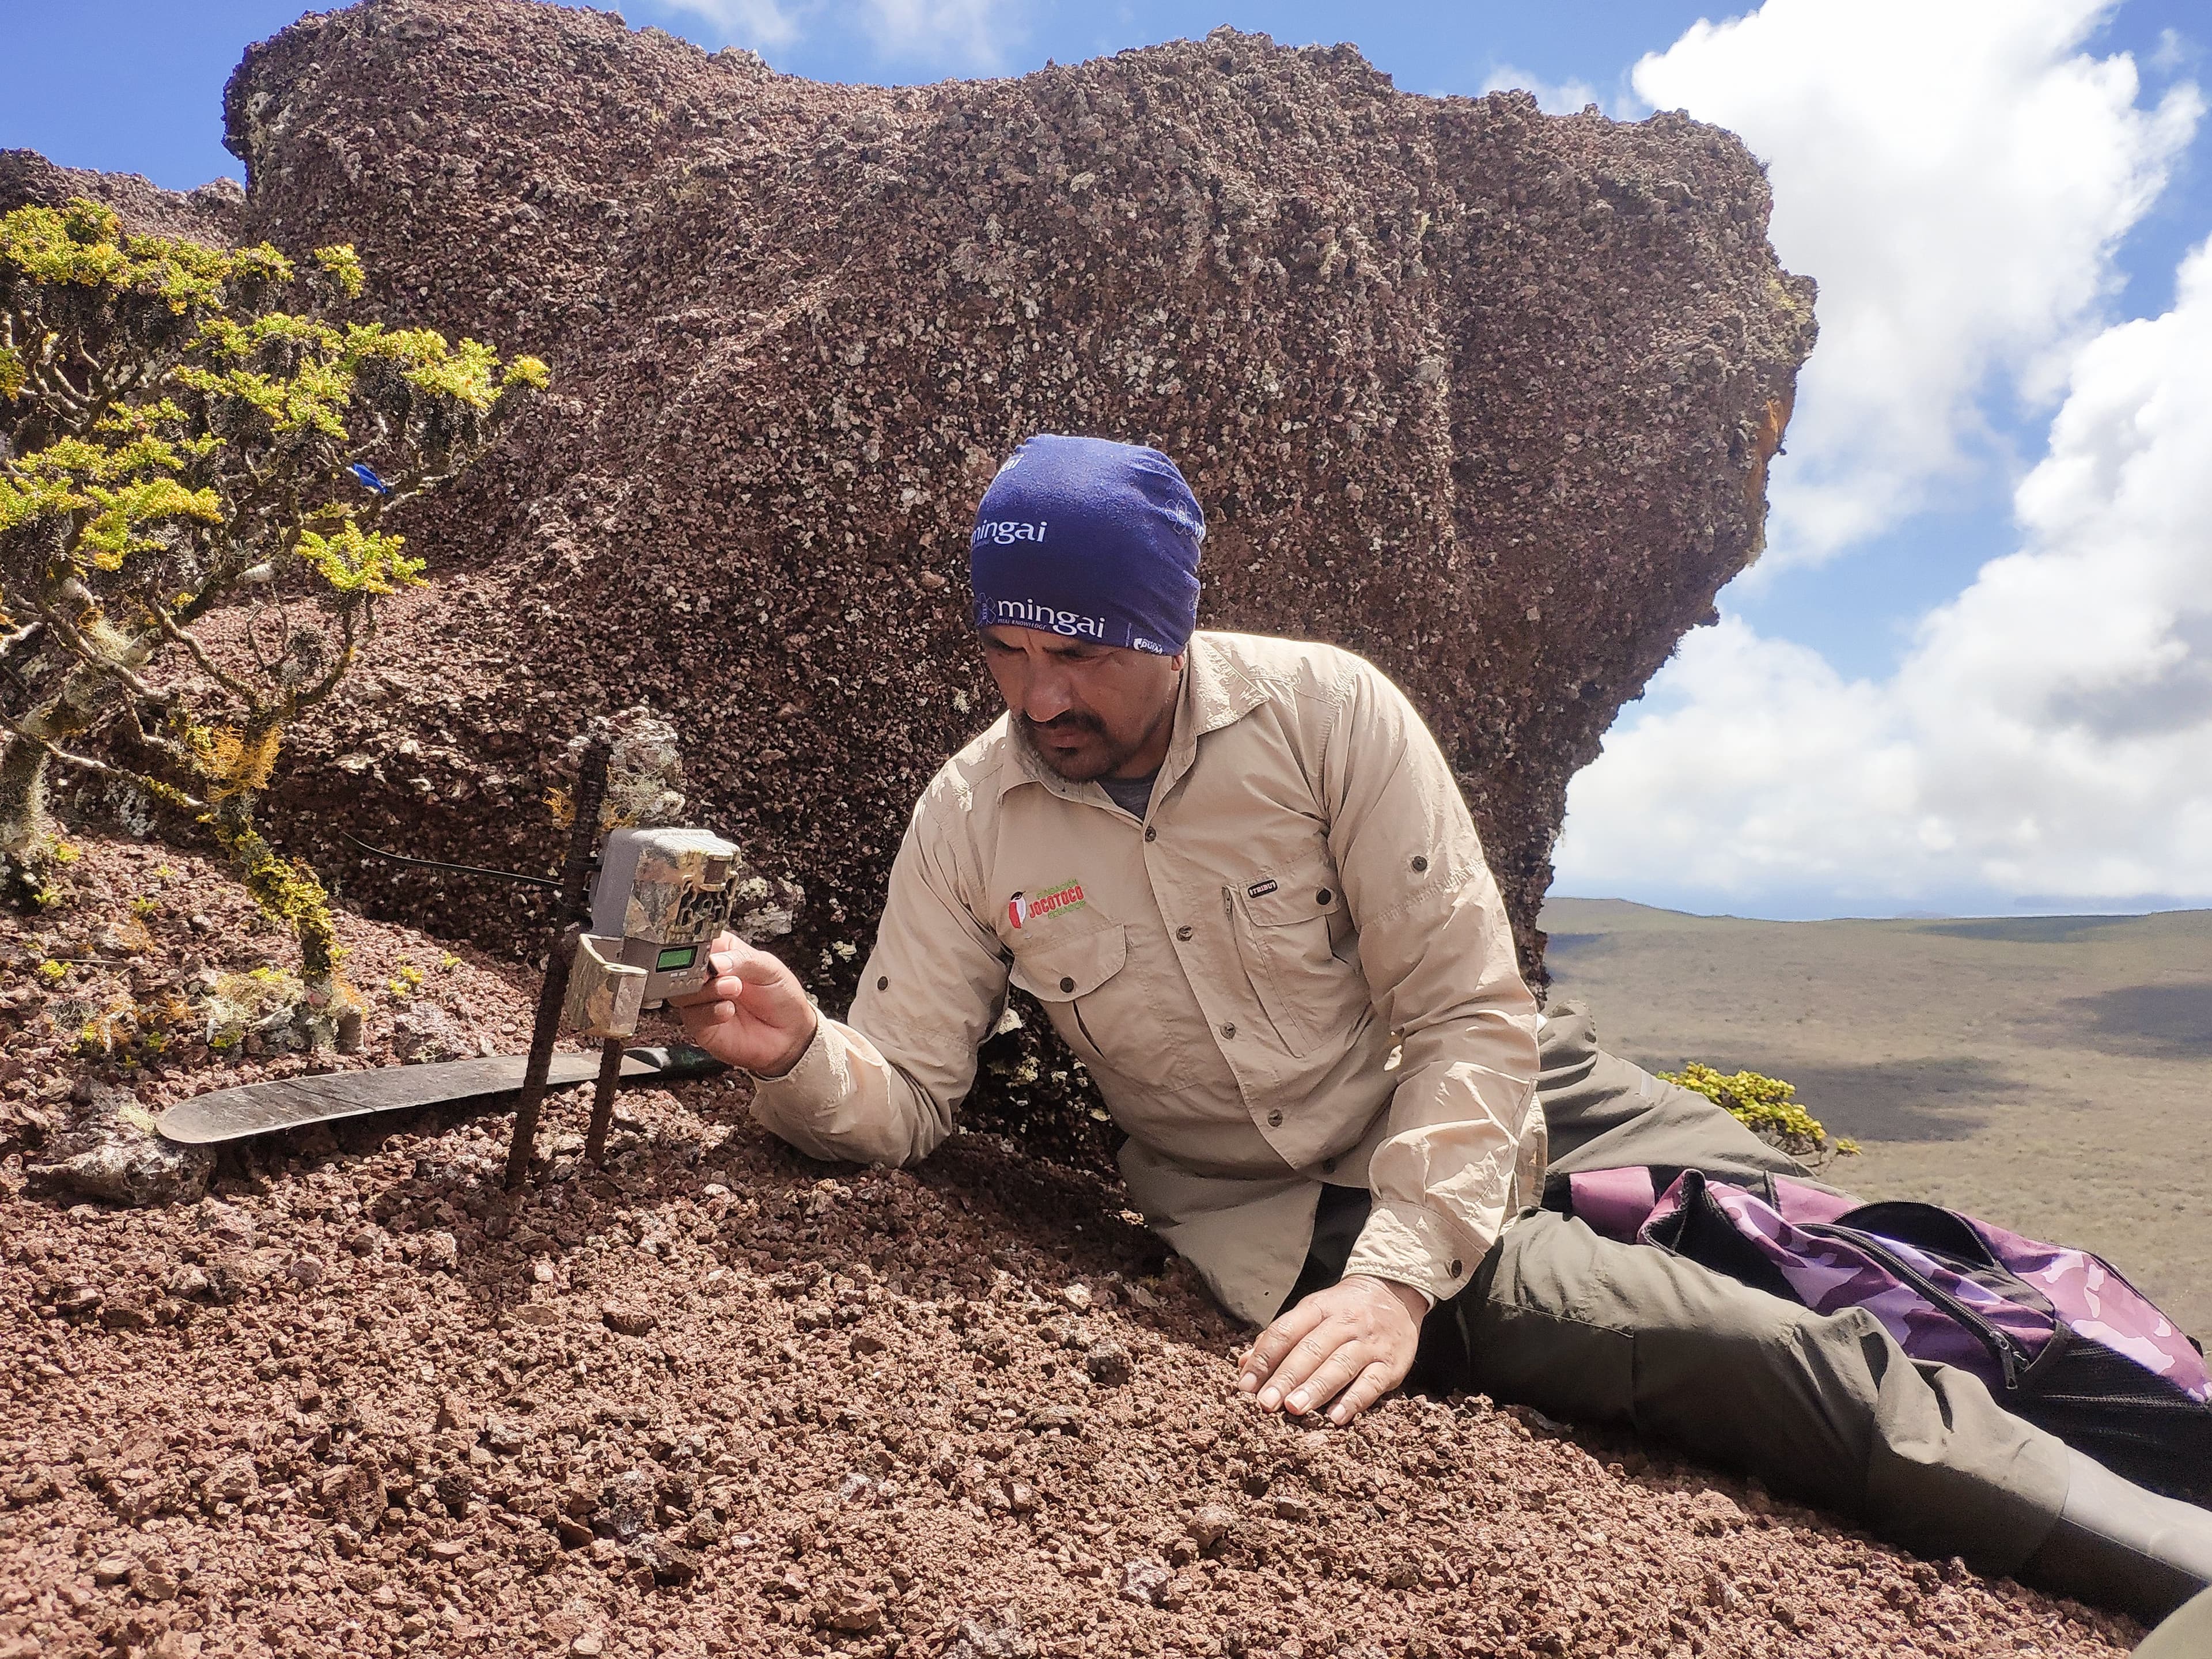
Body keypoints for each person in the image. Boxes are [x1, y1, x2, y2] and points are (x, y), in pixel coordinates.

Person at [675, 433, 2212, 1624]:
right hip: (1299, 1205)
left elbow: (1471, 1010)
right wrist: (802, 1051)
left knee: (1855, 1237)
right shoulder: (974, 813)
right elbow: (908, 1095)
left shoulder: (1326, 716)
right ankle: (2180, 1569)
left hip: (1502, 1085)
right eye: (1007, 653)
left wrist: (1409, 1277)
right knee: (1787, 1363)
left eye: (1080, 652)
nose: (1039, 694)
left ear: (1169, 622)